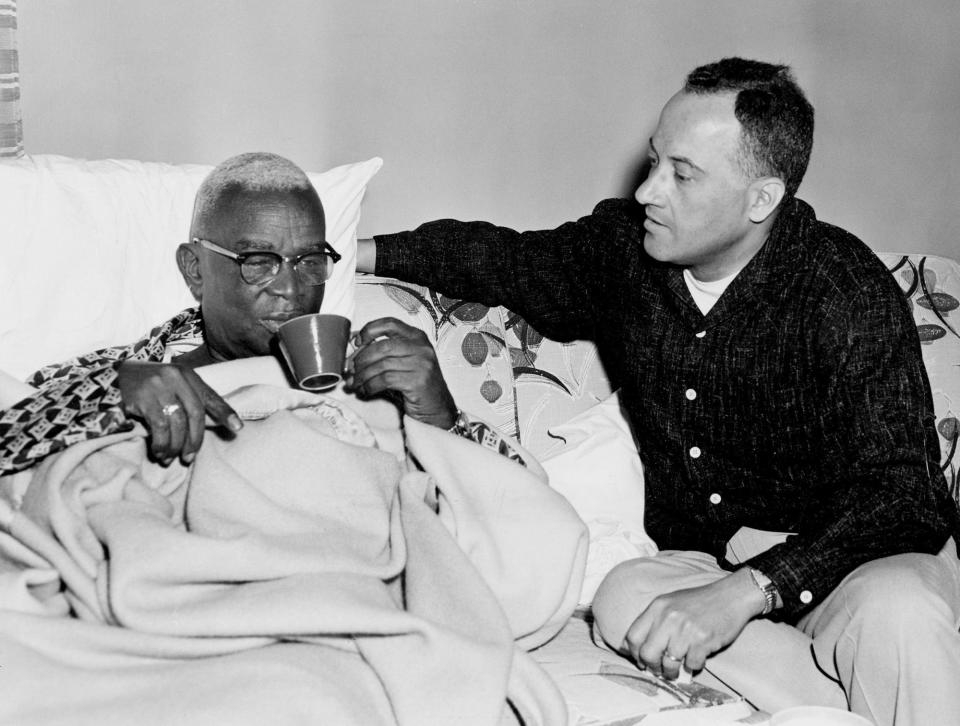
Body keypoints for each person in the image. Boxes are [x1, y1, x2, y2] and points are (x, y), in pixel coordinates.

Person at [356, 58, 960, 725]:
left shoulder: (846, 291)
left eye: (682, 174)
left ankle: (856, 676)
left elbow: (905, 495)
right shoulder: (624, 254)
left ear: (762, 199)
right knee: (623, 600)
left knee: (901, 615)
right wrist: (346, 252)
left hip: (859, 565)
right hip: (703, 566)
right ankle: (845, 703)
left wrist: (750, 593)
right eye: (653, 163)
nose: (648, 192)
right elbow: (504, 259)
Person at [0, 152, 516, 476]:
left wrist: (440, 420)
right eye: (259, 262)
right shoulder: (127, 373)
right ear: (196, 270)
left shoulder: (378, 374)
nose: (291, 289)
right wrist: (110, 395)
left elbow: (522, 518)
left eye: (310, 261)